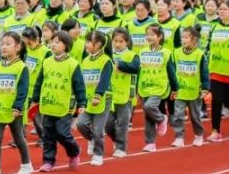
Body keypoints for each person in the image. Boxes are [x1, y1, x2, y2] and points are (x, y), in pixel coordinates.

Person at [0, 31, 33, 174]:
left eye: (8, 44)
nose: (4, 47)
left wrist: (17, 107)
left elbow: (23, 89)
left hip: (14, 110)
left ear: (17, 47)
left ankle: (26, 164)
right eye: (2, 44)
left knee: (18, 138)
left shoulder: (21, 67)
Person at [33, 29, 86, 171]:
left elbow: (79, 85)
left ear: (66, 45)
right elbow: (39, 81)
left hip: (64, 106)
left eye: (57, 42)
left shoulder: (73, 64)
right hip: (48, 104)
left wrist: (82, 103)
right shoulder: (47, 62)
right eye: (52, 42)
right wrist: (35, 98)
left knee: (63, 133)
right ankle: (48, 161)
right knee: (48, 134)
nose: (53, 44)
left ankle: (74, 151)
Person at [205, 0, 229, 142]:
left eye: (224, 9)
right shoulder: (214, 27)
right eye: (220, 9)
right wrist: (205, 65)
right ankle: (215, 131)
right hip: (216, 69)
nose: (221, 12)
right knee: (216, 101)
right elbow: (208, 48)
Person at [71, 31, 113, 166]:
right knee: (80, 124)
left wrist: (98, 95)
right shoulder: (86, 60)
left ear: (99, 44)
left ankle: (98, 154)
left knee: (98, 129)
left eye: (89, 42)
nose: (86, 44)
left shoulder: (106, 61)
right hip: (88, 99)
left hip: (102, 99)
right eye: (86, 41)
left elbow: (104, 80)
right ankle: (92, 139)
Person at [139, 25, 178, 152]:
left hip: (159, 87)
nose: (149, 37)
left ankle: (161, 118)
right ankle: (150, 143)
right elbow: (140, 71)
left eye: (152, 35)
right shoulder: (142, 51)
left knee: (149, 106)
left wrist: (175, 88)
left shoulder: (166, 53)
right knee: (148, 116)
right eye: (147, 34)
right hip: (145, 86)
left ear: (160, 37)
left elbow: (171, 72)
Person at [104, 28, 140, 157]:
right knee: (107, 124)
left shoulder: (132, 55)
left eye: (121, 41)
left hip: (125, 95)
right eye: (115, 41)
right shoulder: (108, 55)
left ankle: (121, 147)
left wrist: (120, 65)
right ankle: (116, 139)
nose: (118, 44)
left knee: (122, 123)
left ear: (127, 42)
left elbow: (135, 68)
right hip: (110, 94)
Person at [172, 25, 208, 147]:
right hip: (180, 90)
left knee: (195, 116)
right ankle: (179, 137)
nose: (183, 40)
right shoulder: (176, 53)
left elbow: (204, 72)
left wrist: (205, 88)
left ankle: (198, 135)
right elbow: (172, 70)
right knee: (178, 115)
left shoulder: (199, 54)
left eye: (186, 37)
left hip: (194, 91)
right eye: (182, 37)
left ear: (194, 39)